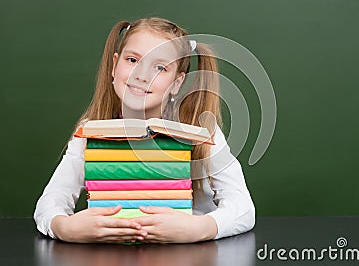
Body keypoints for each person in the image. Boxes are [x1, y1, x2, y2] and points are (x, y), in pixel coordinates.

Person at [33, 17, 255, 244]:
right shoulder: (91, 130)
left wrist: (201, 228)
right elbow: (51, 201)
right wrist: (64, 227)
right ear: (114, 65)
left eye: (159, 67)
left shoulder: (201, 130)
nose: (142, 75)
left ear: (177, 83)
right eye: (132, 60)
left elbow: (243, 208)